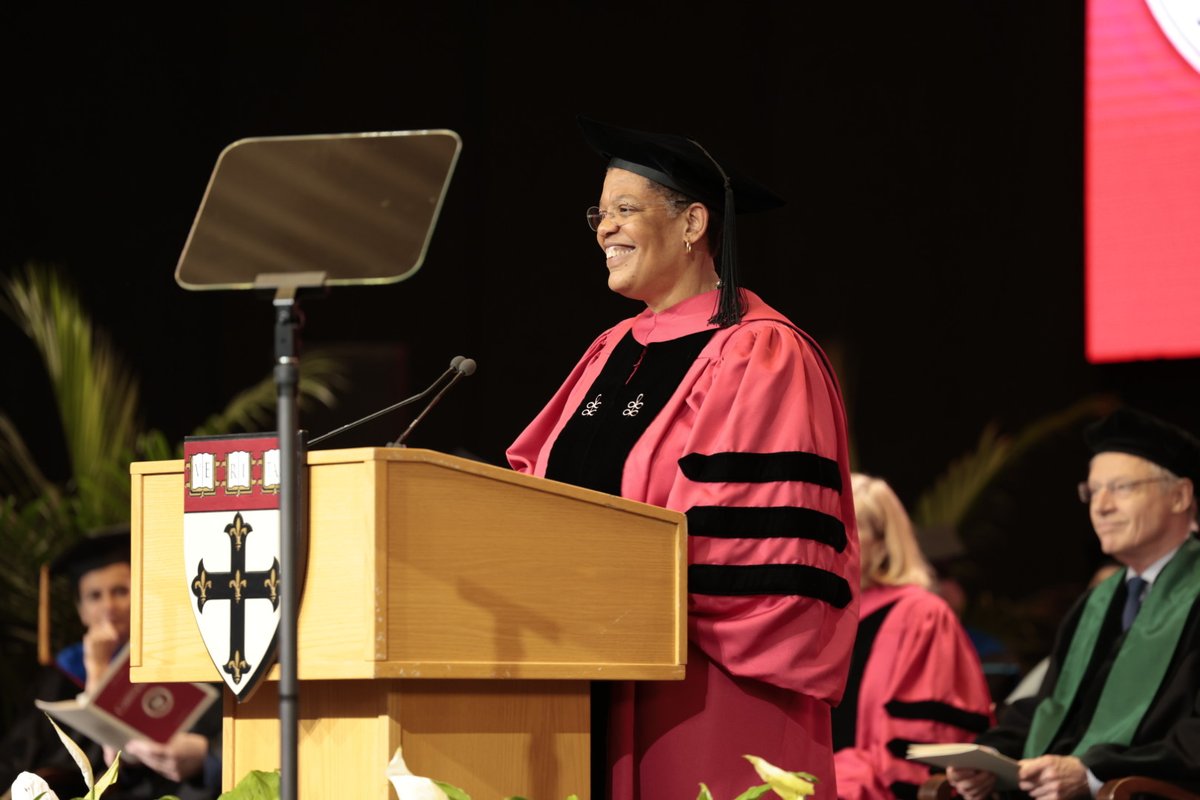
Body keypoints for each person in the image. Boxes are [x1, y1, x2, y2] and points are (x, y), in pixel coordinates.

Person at [507, 117, 859, 799]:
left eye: (626, 209)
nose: (605, 228)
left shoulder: (762, 350)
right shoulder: (609, 351)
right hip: (590, 676)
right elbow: (533, 494)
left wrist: (614, 592)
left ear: (694, 223)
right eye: (599, 213)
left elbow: (754, 545)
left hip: (713, 689)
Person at [946, 408, 1200, 800]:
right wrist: (991, 755)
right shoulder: (1098, 602)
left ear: (1181, 495)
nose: (1101, 507)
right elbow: (1055, 705)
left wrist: (1095, 774)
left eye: (1121, 487)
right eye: (1093, 491)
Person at [0, 525, 222, 800]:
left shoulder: (177, 660)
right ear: (81, 611)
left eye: (120, 591)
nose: (108, 606)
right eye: (94, 596)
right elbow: (24, 754)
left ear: (141, 596)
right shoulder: (60, 673)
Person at [833, 474, 993, 800]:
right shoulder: (820, 616)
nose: (830, 540)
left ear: (882, 542)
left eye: (847, 525)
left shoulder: (922, 617)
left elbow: (920, 747)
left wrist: (821, 780)